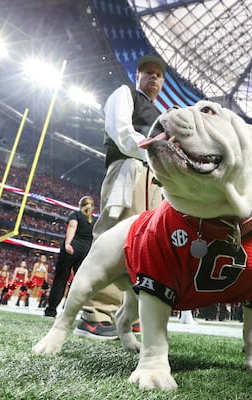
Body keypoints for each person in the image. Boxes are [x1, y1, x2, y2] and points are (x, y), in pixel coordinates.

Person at [73, 54, 165, 339]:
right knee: (114, 238)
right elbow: (121, 131)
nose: (153, 77)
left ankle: (128, 315)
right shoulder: (124, 94)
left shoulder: (159, 114)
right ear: (137, 75)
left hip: (155, 179)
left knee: (145, 246)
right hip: (129, 169)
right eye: (148, 72)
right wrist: (154, 150)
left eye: (158, 75)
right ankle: (94, 313)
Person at [44, 196, 96, 319]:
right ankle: (71, 311)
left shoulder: (75, 214)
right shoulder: (94, 220)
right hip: (85, 251)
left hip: (71, 249)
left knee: (61, 279)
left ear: (80, 204)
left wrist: (68, 243)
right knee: (78, 282)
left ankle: (51, 310)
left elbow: (72, 226)